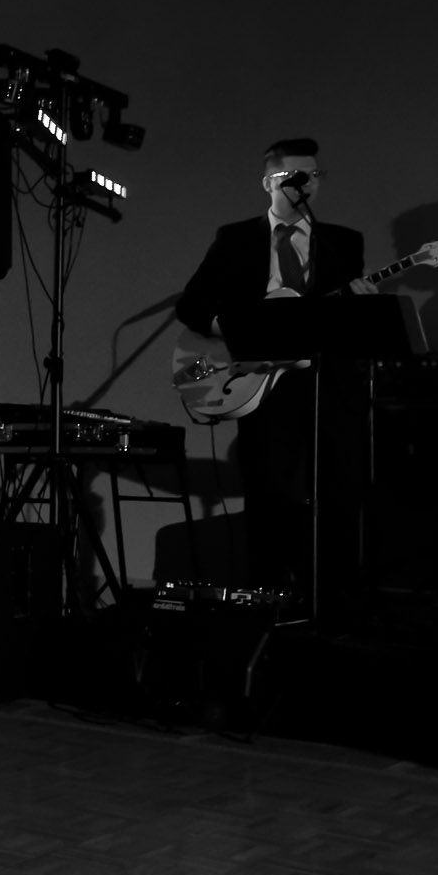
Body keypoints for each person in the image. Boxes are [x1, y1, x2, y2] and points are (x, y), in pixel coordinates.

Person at [176, 138, 371, 597]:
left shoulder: (343, 242)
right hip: (259, 382)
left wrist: (360, 304)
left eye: (315, 175)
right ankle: (264, 598)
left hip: (324, 382)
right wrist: (233, 331)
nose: (309, 184)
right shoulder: (237, 238)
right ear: (270, 183)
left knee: (337, 488)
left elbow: (340, 321)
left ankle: (332, 600)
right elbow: (191, 304)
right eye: (296, 176)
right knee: (267, 491)